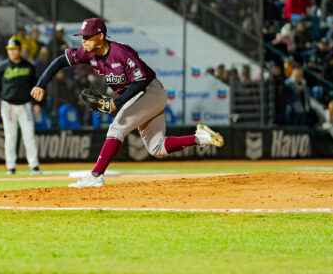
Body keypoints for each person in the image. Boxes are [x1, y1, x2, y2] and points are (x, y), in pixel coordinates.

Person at [31, 17, 223, 188]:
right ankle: (201, 138)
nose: (83, 40)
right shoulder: (87, 52)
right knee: (157, 148)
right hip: (142, 96)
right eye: (82, 36)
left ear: (100, 36)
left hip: (150, 91)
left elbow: (139, 82)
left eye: (88, 36)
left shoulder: (121, 53)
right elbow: (59, 61)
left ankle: (96, 176)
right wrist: (41, 84)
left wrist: (118, 103)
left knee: (117, 128)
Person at [0, 38, 41, 175]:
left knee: (29, 136)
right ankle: (10, 166)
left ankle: (34, 165)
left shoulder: (29, 67)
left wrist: (37, 103)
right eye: (9, 50)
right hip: (8, 106)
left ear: (20, 50)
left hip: (25, 105)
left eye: (14, 50)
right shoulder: (2, 67)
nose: (11, 52)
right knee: (10, 136)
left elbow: (36, 86)